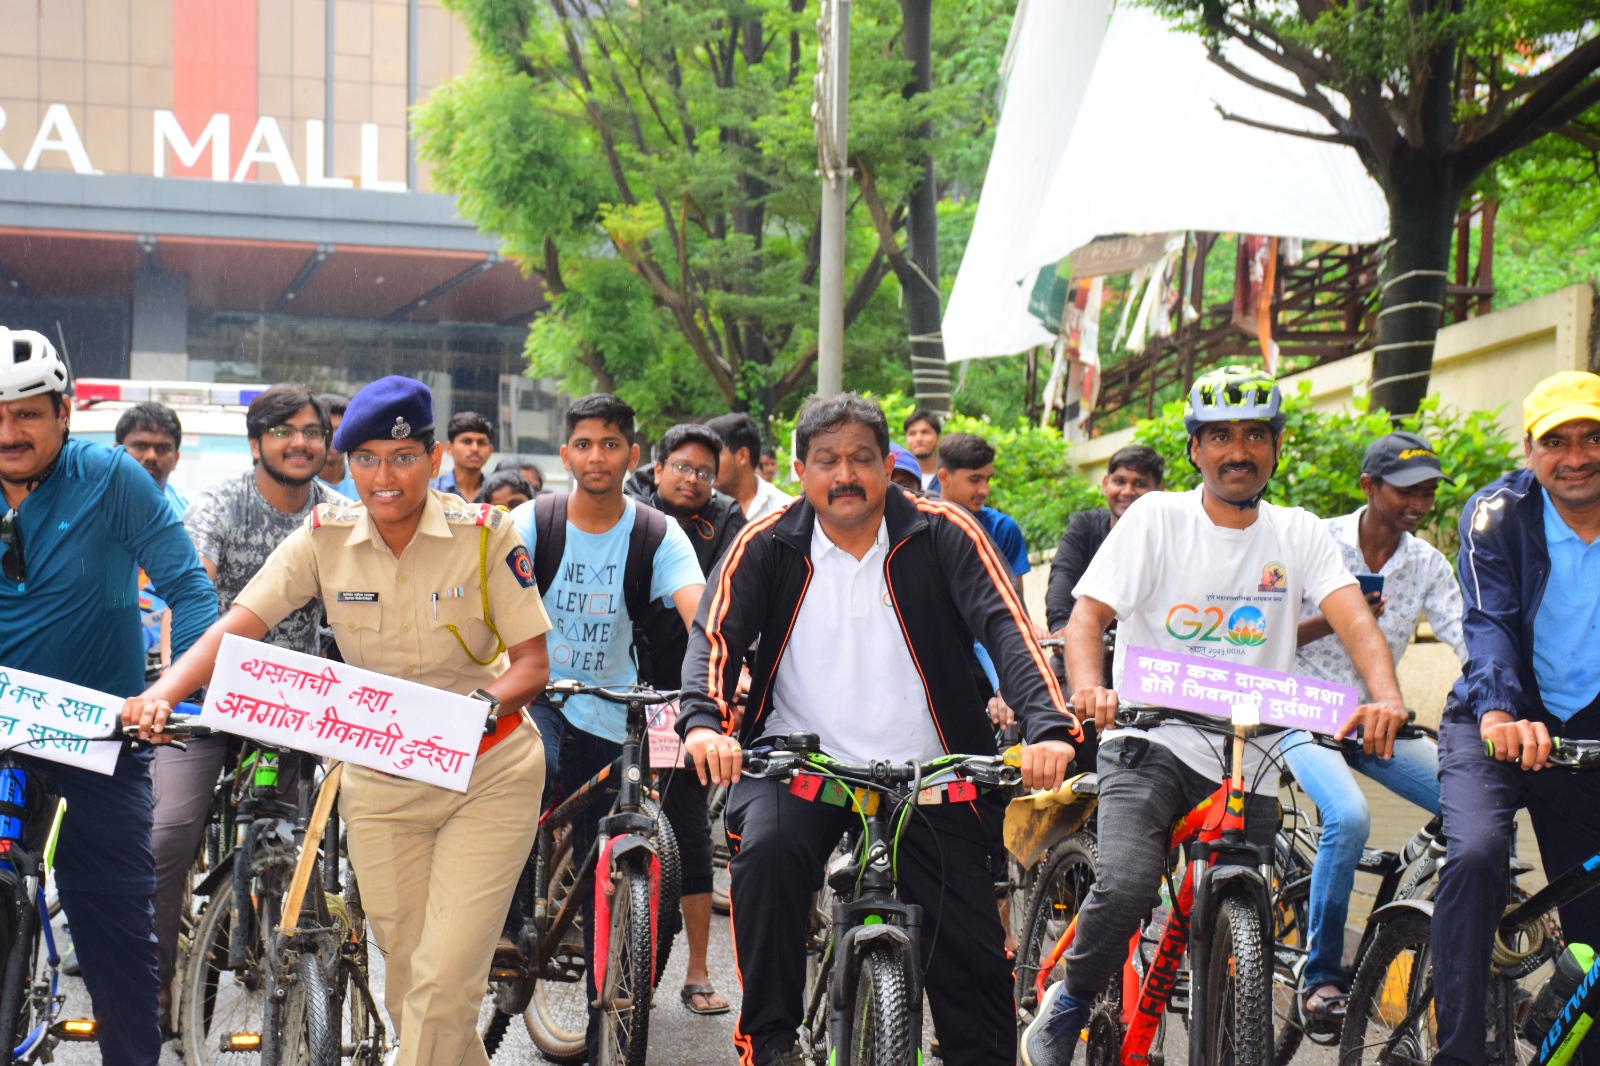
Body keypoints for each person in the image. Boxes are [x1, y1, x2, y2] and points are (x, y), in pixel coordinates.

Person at [122, 376, 551, 1066]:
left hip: (488, 771)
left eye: (403, 457)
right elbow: (237, 624)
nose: (385, 477)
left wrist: (469, 716)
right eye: (366, 459)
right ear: (345, 464)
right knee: (414, 978)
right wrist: (165, 692)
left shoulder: (486, 535)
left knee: (443, 983)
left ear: (435, 458)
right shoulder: (324, 539)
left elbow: (532, 664)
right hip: (381, 782)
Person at [680, 393, 1081, 1066]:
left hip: (931, 774)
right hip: (800, 765)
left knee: (975, 968)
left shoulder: (945, 531)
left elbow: (1008, 627)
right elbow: (714, 634)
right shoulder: (769, 541)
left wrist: (1047, 727)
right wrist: (703, 725)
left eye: (862, 459)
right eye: (828, 460)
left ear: (887, 463)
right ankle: (770, 1041)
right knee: (769, 861)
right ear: (802, 471)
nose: (846, 475)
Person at [1024, 365, 1407, 1066]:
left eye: (1256, 435)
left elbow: (1352, 618)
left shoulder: (1298, 533)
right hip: (1152, 738)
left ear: (1276, 447)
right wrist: (1089, 687)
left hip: (1249, 748)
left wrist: (1383, 694)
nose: (1240, 450)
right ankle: (1070, 1001)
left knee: (1246, 912)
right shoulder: (1156, 518)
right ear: (1196, 449)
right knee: (1133, 883)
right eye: (1221, 435)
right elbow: (1087, 619)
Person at [0, 328, 218, 1065]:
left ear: (64, 413)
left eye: (27, 412)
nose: (9, 430)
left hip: (104, 738)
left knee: (120, 942)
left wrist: (169, 696)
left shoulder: (111, 477)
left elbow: (190, 590)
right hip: (3, 734)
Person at [148, 385, 352, 1024]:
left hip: (292, 705)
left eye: (313, 431)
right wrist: (181, 682)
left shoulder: (340, 515)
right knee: (166, 834)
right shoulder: (219, 503)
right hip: (208, 695)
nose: (301, 442)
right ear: (256, 441)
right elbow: (191, 592)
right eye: (284, 430)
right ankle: (152, 975)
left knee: (291, 837)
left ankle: (288, 953)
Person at [509, 393, 706, 1048]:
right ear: (566, 454)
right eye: (585, 444)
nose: (598, 456)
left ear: (633, 454)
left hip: (616, 703)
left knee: (610, 847)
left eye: (612, 444)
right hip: (537, 693)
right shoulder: (533, 522)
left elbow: (698, 612)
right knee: (523, 781)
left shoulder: (656, 532)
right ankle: (508, 928)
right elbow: (479, 597)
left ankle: (606, 1013)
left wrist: (721, 672)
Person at [1430, 369, 1600, 1066]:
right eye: (1557, 441)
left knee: (1592, 916)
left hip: (1585, 730)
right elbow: (1489, 621)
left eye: (1593, 437)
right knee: (1473, 856)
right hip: (1494, 723)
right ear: (1531, 452)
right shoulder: (1497, 515)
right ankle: (1461, 1054)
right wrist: (1501, 710)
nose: (1578, 456)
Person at [1282, 431, 1467, 1032]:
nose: (1418, 502)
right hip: (1301, 711)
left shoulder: (1426, 563)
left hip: (1377, 722)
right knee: (1350, 817)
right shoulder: (1316, 543)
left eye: (1428, 491)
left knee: (1478, 810)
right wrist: (1338, 617)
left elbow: (1467, 639)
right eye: (1405, 489)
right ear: (1369, 485)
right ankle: (1321, 980)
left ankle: (1477, 967)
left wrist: (1503, 703)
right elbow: (1260, 635)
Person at [623, 421, 748, 1016]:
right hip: (617, 682)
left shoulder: (729, 522)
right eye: (682, 467)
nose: (693, 479)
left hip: (687, 698)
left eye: (704, 471)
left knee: (691, 827)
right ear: (658, 465)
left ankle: (697, 970)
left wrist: (735, 678)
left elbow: (738, 600)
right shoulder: (630, 510)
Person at [936, 432, 1029, 594]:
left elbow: (1015, 605)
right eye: (974, 480)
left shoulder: (1002, 529)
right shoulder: (921, 528)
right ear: (944, 478)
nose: (984, 490)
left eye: (988, 480)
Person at [705, 412, 792, 522]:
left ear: (742, 456)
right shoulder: (700, 509)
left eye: (715, 454)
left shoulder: (783, 509)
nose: (707, 463)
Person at [115, 401, 189, 516]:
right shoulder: (91, 508)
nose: (151, 456)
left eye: (162, 448)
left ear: (176, 458)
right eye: (141, 446)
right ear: (117, 452)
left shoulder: (192, 513)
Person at [432, 410, 496, 502]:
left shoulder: (496, 494)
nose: (475, 448)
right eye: (467, 441)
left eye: (481, 442)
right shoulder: (431, 492)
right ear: (449, 448)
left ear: (490, 451)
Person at [316, 391, 358, 499]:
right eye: (326, 429)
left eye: (339, 429)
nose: (334, 437)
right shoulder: (301, 484)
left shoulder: (361, 479)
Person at [903, 408, 942, 494]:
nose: (919, 439)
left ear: (938, 438)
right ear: (906, 440)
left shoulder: (948, 477)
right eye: (912, 433)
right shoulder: (899, 474)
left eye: (925, 432)